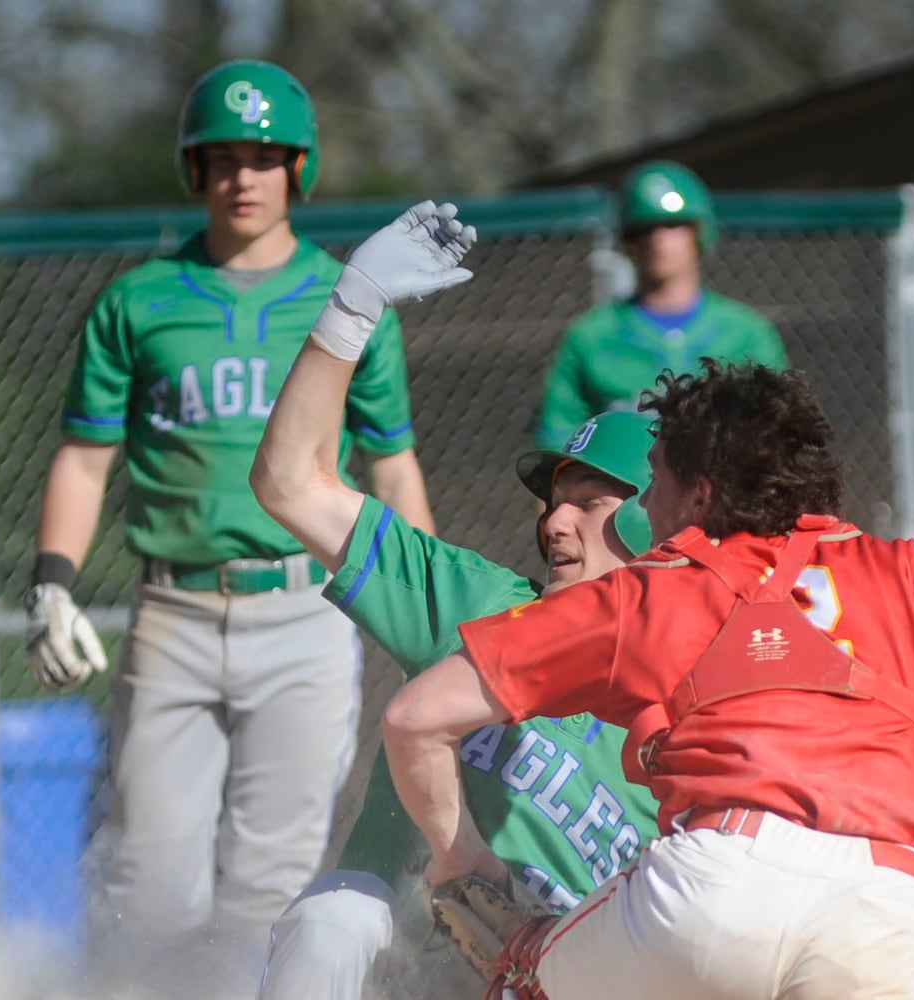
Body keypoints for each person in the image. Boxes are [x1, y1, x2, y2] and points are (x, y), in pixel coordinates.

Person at [383, 360, 914, 999]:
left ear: (699, 492)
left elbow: (415, 716)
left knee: (523, 967)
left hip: (718, 886)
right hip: (886, 901)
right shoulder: (910, 567)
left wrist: (459, 859)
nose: (648, 501)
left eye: (655, 481)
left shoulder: (653, 588)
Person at [22, 59, 436, 990]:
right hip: (170, 614)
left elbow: (392, 463)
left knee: (268, 886)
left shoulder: (344, 298)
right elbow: (85, 458)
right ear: (194, 171)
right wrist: (52, 580)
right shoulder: (137, 301)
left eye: (262, 156)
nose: (240, 177)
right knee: (150, 884)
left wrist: (425, 611)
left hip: (304, 612)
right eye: (220, 158)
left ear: (298, 168)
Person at [246, 201, 659, 1000]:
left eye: (588, 502)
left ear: (651, 521)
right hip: (395, 949)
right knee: (330, 924)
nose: (554, 520)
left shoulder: (692, 704)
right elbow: (289, 483)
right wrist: (352, 304)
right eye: (552, 500)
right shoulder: (480, 601)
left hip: (553, 977)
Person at [533, 159, 788, 450]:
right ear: (629, 242)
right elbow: (556, 442)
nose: (658, 238)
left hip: (723, 492)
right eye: (645, 228)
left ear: (700, 232)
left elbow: (779, 438)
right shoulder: (590, 336)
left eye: (673, 224)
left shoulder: (748, 333)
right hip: (625, 492)